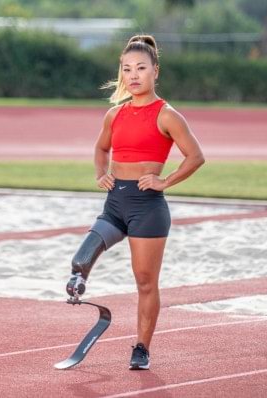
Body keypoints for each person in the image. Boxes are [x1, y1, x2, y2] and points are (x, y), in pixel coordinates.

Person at [65, 34, 204, 370]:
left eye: (141, 68)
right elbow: (101, 149)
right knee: (82, 257)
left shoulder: (167, 115)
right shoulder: (115, 114)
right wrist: (101, 173)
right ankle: (78, 280)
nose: (134, 75)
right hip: (116, 203)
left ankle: (141, 347)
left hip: (148, 208)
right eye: (127, 69)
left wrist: (164, 180)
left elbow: (195, 156)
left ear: (155, 71)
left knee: (144, 282)